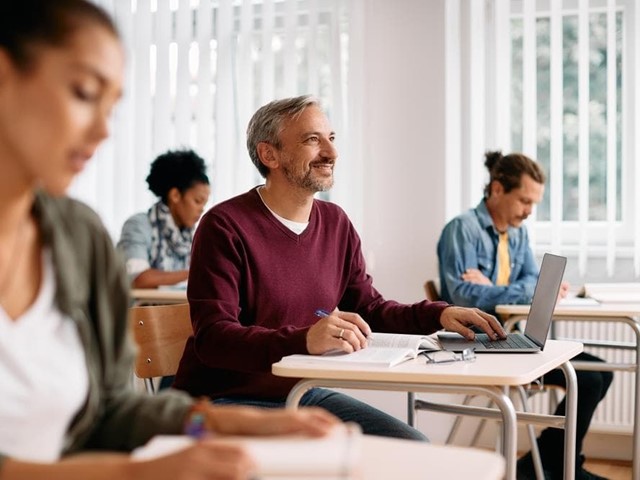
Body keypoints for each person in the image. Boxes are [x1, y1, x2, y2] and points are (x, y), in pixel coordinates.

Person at [0, 2, 338, 479]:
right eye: (82, 92)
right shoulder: (212, 226)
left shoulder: (78, 236)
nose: (102, 131)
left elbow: (113, 411)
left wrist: (212, 421)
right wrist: (127, 474)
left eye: (111, 107)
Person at [172, 94, 507, 441]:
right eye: (312, 140)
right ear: (269, 154)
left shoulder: (336, 223)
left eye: (331, 139)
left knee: (412, 445)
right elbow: (214, 338)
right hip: (223, 401)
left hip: (299, 392)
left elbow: (369, 309)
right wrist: (305, 339)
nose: (331, 153)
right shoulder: (224, 226)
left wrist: (439, 315)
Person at [437, 151, 613, 480]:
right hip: (476, 345)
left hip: (509, 337)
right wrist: (516, 290)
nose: (529, 211)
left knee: (600, 373)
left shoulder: (517, 233)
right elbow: (461, 296)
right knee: (587, 379)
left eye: (534, 203)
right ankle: (558, 466)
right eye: (524, 200)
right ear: (498, 189)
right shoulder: (462, 229)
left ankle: (547, 463)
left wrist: (494, 286)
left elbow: (532, 280)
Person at [117, 148, 210, 289]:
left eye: (204, 203)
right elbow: (137, 278)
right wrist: (196, 273)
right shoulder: (139, 225)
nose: (202, 209)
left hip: (178, 309)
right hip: (142, 310)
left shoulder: (192, 236)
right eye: (197, 201)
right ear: (175, 196)